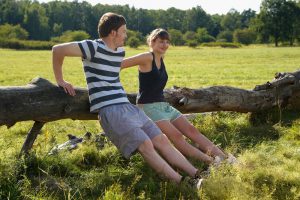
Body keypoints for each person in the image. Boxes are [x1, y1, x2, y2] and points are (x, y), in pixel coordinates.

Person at [52, 13, 205, 188]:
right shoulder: (92, 47)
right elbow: (58, 50)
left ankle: (197, 174)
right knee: (146, 145)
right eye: (123, 31)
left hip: (128, 106)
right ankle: (183, 184)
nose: (126, 35)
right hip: (110, 110)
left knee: (161, 140)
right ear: (113, 32)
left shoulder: (119, 52)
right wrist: (60, 81)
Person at [121, 28, 236, 165]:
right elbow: (120, 64)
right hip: (148, 107)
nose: (165, 45)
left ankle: (225, 158)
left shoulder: (161, 59)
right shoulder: (147, 57)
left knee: (192, 131)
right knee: (177, 137)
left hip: (163, 105)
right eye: (161, 41)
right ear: (152, 42)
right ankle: (212, 162)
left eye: (167, 42)